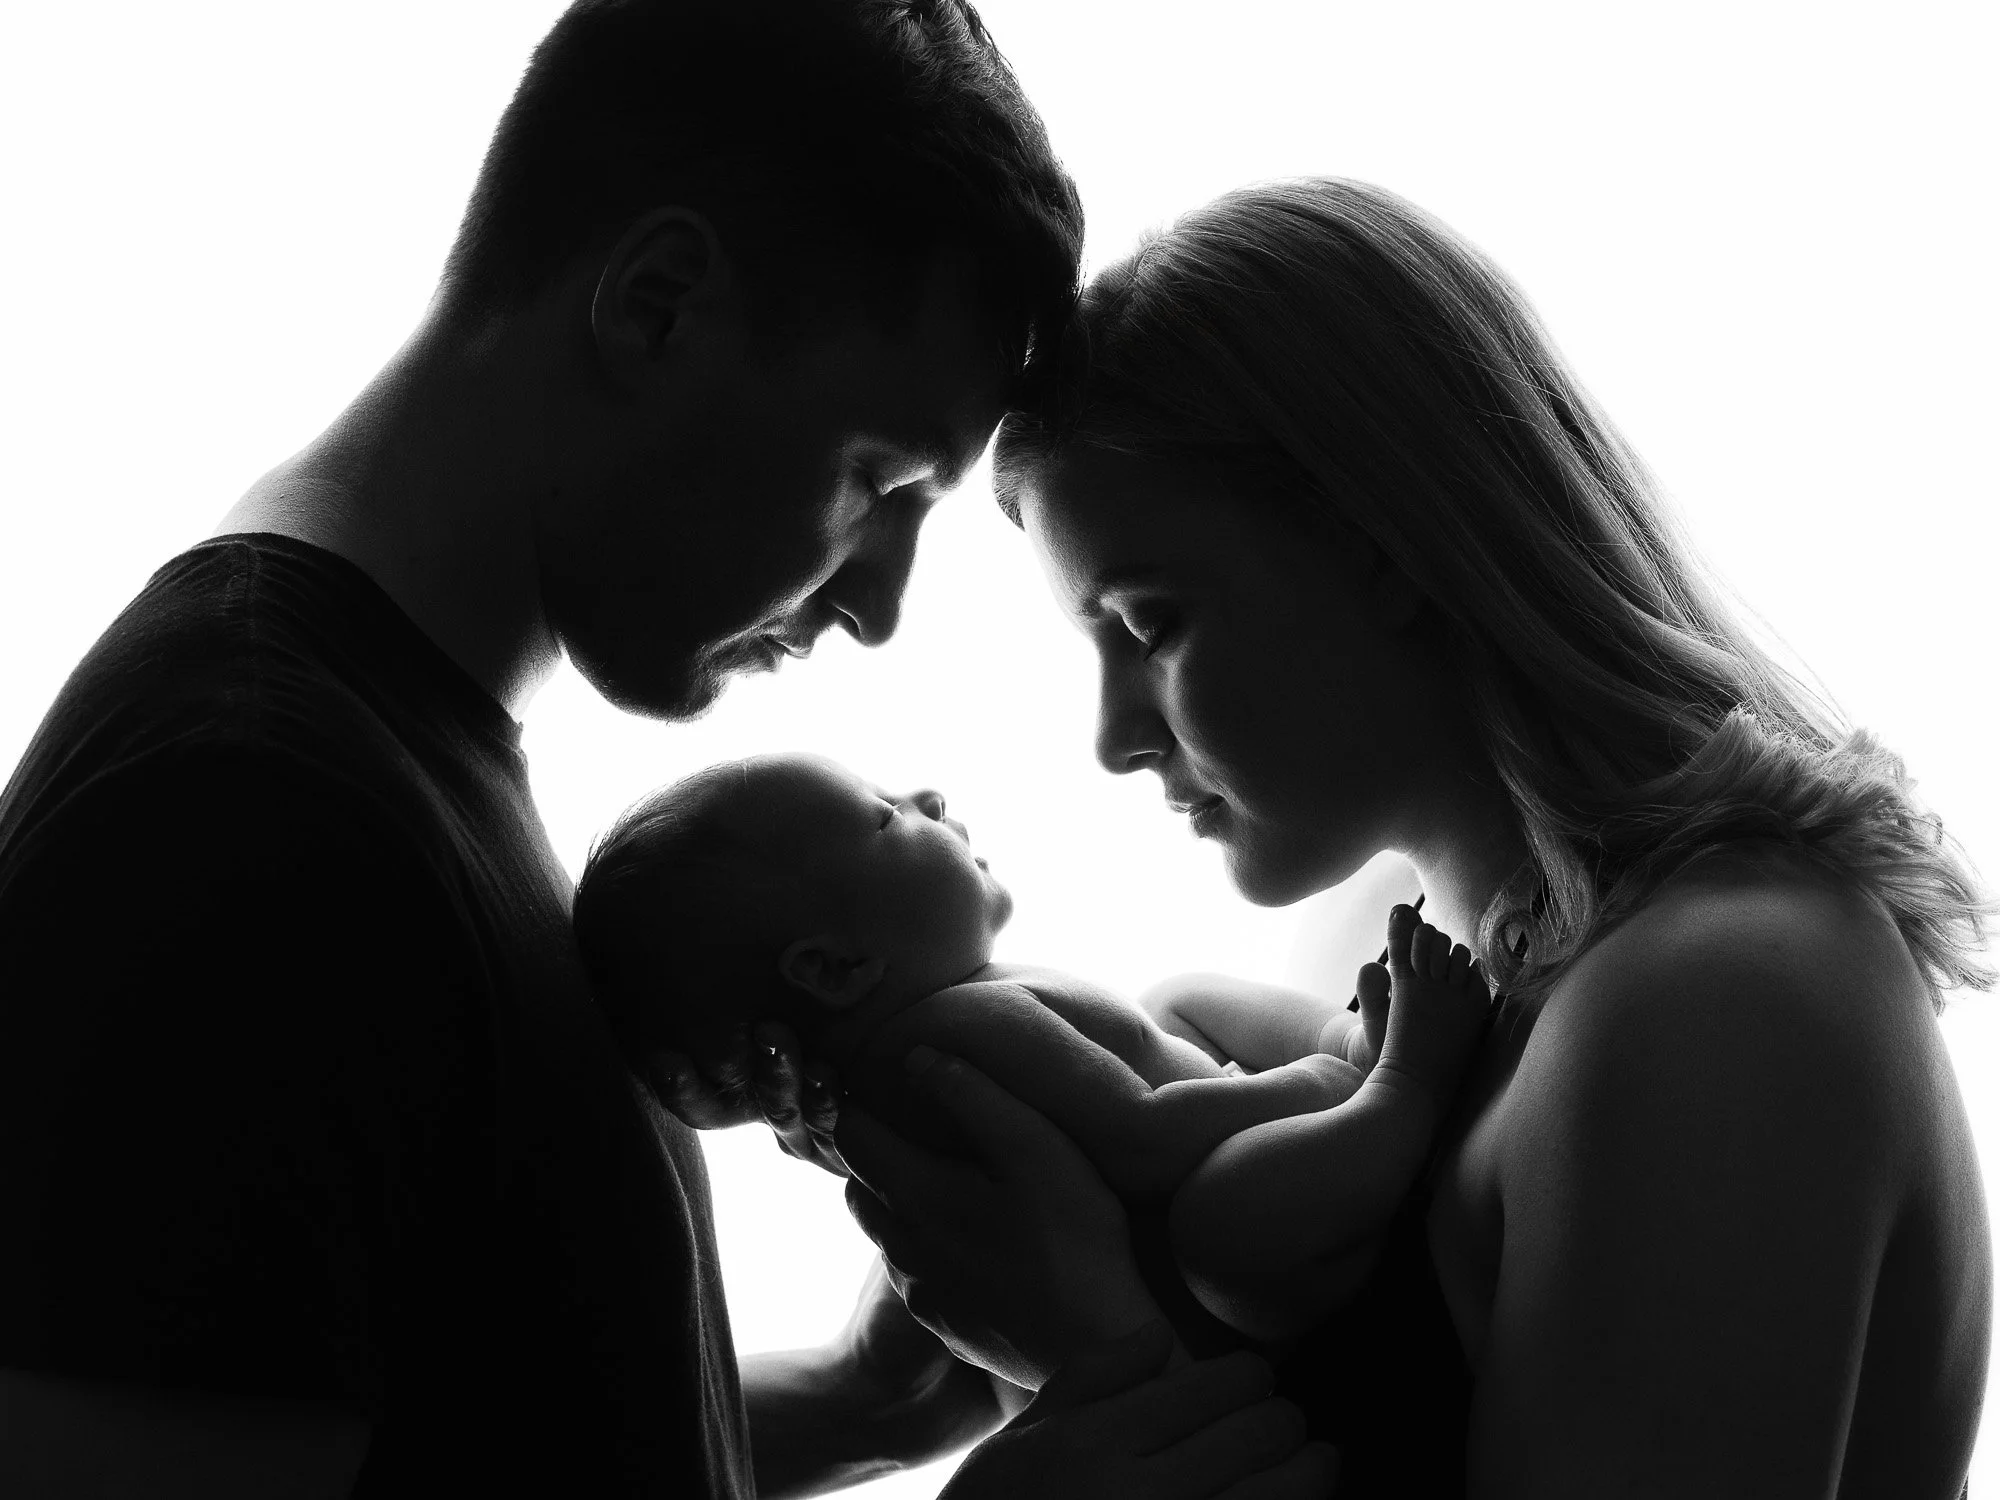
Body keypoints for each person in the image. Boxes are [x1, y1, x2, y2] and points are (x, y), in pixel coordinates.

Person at [0, 4, 1337, 1497]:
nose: (880, 606)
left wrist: (864, 1406)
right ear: (657, 303)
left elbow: (462, 1438)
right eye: (878, 478)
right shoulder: (246, 822)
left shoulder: (379, 761)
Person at [800, 177, 1994, 1497]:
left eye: (1151, 626)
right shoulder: (1441, 989)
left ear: (1382, 545)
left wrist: (1103, 1348)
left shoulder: (1719, 993)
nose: (1114, 739)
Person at [572, 751, 1493, 1352]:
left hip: (1240, 1155)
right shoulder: (947, 1034)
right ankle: (1397, 1082)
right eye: (886, 816)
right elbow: (1146, 1138)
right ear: (838, 966)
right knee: (1225, 1218)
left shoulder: (930, 1039)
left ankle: (1353, 1037)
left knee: (1176, 999)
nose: (927, 795)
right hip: (1253, 1259)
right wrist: (1317, 1085)